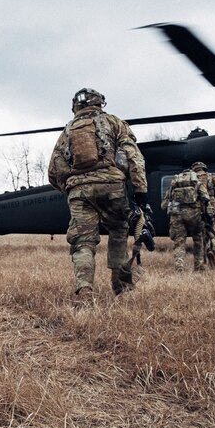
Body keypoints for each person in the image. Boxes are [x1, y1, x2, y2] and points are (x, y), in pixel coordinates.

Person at [48, 87, 147, 305]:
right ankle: (121, 288)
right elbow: (134, 157)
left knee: (83, 242)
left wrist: (72, 187)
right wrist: (140, 191)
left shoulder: (68, 131)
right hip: (112, 187)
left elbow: (53, 170)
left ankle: (84, 293)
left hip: (79, 192)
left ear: (75, 106)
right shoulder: (113, 122)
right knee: (119, 232)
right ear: (100, 103)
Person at [160, 167, 210, 272]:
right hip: (194, 215)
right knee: (198, 240)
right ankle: (199, 266)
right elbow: (206, 198)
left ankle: (179, 266)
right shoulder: (197, 183)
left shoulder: (174, 185)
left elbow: (163, 205)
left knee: (179, 242)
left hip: (177, 215)